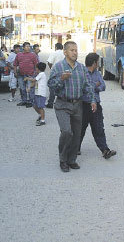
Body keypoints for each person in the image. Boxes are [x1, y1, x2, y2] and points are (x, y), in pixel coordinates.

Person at [48, 41, 96, 173]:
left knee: (76, 134)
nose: (75, 53)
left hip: (77, 104)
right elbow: (51, 86)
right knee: (66, 131)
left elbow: (88, 85)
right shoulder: (58, 67)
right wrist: (61, 79)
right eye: (72, 50)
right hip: (62, 104)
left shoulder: (81, 68)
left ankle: (72, 159)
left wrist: (92, 100)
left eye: (76, 50)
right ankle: (63, 159)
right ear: (65, 52)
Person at [79, 53, 117, 159]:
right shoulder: (82, 73)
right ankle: (76, 148)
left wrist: (94, 87)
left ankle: (105, 150)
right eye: (98, 61)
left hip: (96, 105)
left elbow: (103, 86)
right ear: (94, 63)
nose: (99, 63)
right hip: (83, 105)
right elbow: (82, 88)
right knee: (81, 128)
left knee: (99, 128)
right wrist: (94, 85)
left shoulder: (98, 73)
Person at [14, 42, 38, 108]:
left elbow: (36, 65)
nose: (28, 48)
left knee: (30, 88)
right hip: (20, 74)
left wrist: (36, 73)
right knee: (22, 88)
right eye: (27, 46)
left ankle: (31, 101)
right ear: (23, 48)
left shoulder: (33, 55)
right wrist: (15, 72)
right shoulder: (19, 55)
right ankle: (24, 100)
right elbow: (15, 64)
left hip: (30, 74)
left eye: (29, 46)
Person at [46, 42, 65, 108]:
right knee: (63, 87)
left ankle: (50, 103)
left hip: (55, 72)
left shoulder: (54, 53)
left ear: (56, 47)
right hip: (63, 72)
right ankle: (62, 103)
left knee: (52, 87)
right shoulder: (65, 53)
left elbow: (49, 62)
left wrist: (51, 68)